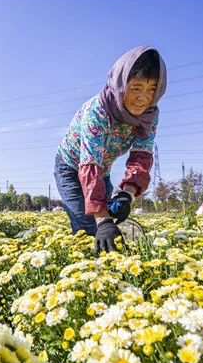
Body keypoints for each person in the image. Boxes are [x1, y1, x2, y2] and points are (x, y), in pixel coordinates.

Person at [54, 46, 167, 253]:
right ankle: (84, 273)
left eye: (152, 89)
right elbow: (90, 164)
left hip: (101, 170)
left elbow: (142, 156)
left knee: (110, 219)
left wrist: (128, 194)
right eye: (136, 88)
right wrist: (102, 220)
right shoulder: (98, 111)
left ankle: (109, 271)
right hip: (71, 167)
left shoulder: (150, 114)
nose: (143, 97)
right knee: (88, 226)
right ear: (120, 85)